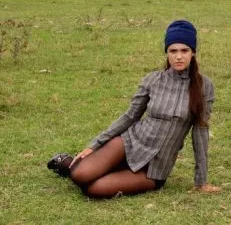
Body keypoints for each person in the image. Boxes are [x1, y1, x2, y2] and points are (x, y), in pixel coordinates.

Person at [46, 20, 221, 198]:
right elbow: (130, 116)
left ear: (193, 53)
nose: (178, 56)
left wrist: (201, 181)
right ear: (167, 53)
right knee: (80, 175)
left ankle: (92, 167)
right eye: (173, 51)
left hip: (155, 168)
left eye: (184, 50)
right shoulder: (153, 79)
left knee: (94, 189)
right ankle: (69, 163)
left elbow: (200, 132)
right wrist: (95, 145)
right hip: (130, 143)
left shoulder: (204, 87)